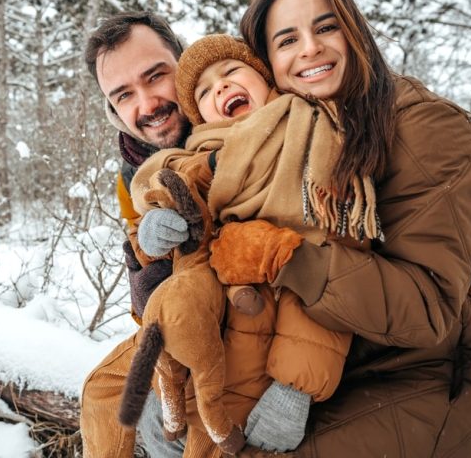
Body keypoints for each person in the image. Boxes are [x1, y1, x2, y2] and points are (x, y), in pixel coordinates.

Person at [80, 9, 471, 457]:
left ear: (181, 58)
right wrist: (151, 266)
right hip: (246, 325)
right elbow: (156, 287)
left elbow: (391, 105)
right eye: (123, 95)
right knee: (129, 401)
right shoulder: (142, 171)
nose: (147, 104)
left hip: (371, 342)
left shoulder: (280, 101)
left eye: (156, 75)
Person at [196, 0, 471, 456]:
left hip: (429, 372)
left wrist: (288, 257)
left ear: (356, 32)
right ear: (266, 66)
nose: (310, 48)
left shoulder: (426, 129)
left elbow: (428, 309)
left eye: (326, 27)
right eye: (287, 40)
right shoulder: (283, 136)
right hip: (330, 359)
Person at [120, 34, 375, 454]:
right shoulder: (200, 157)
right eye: (203, 91)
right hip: (211, 350)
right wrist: (154, 232)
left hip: (280, 354)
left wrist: (296, 386)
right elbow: (166, 197)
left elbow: (332, 268)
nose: (219, 86)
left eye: (231, 71)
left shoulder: (313, 138)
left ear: (264, 77)